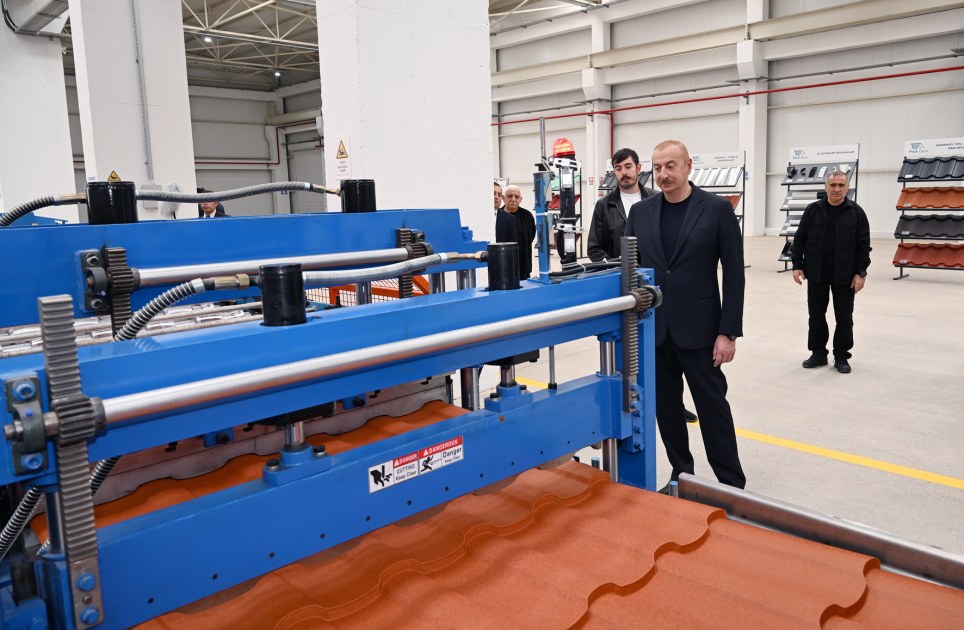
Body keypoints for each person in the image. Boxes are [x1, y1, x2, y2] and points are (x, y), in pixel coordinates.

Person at [626, 139, 746, 491]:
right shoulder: (641, 213)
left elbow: (734, 273)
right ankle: (681, 475)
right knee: (667, 410)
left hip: (701, 332)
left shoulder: (717, 209)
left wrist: (728, 332)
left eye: (671, 166)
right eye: (657, 167)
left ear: (688, 165)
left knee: (713, 410)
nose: (664, 174)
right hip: (655, 331)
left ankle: (732, 486)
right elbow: (630, 271)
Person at [790, 170, 870, 374]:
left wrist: (860, 273)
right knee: (816, 315)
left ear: (847, 188)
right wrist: (797, 265)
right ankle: (818, 353)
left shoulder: (856, 212)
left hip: (845, 274)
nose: (837, 189)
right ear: (826, 187)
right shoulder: (813, 210)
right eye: (833, 185)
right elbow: (800, 238)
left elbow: (863, 245)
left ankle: (841, 356)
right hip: (816, 271)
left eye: (841, 185)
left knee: (844, 318)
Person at [588, 148, 656, 263]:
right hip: (619, 272)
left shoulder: (655, 199)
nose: (624, 172)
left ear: (638, 168)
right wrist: (617, 266)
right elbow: (594, 249)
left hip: (651, 271)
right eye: (618, 168)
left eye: (628, 167)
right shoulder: (603, 205)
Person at [495, 184, 536, 280]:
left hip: (523, 266)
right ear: (503, 198)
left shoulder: (527, 216)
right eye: (510, 196)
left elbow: (531, 236)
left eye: (517, 197)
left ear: (520, 199)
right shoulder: (497, 216)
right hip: (503, 265)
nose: (513, 199)